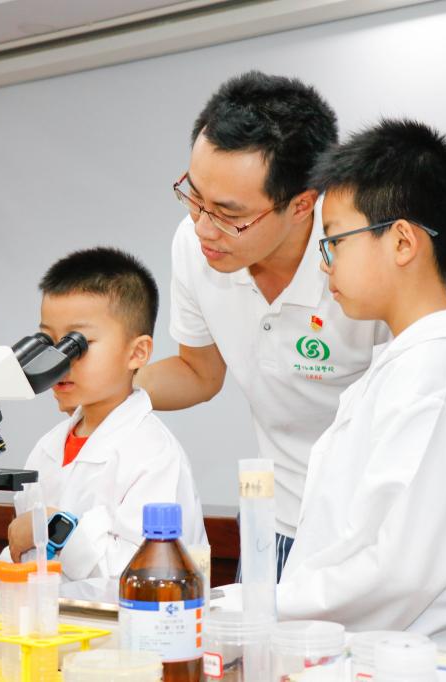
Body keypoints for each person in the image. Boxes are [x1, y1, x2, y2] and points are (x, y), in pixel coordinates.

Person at [220, 119, 446, 653]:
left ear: (402, 241)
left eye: (334, 241)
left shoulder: (434, 377)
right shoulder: (405, 365)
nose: (324, 263)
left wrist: (261, 602)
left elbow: (395, 574)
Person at [135, 72, 389, 578]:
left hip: (370, 531)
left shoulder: (368, 256)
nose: (202, 227)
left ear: (302, 204)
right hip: (276, 520)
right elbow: (199, 372)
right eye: (194, 197)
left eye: (229, 214)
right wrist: (109, 387)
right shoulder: (195, 245)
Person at [5, 247, 207, 601]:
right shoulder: (47, 449)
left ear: (137, 353)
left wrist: (55, 528)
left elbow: (138, 580)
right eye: (48, 342)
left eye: (76, 345)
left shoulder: (153, 456)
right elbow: (27, 562)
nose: (58, 361)